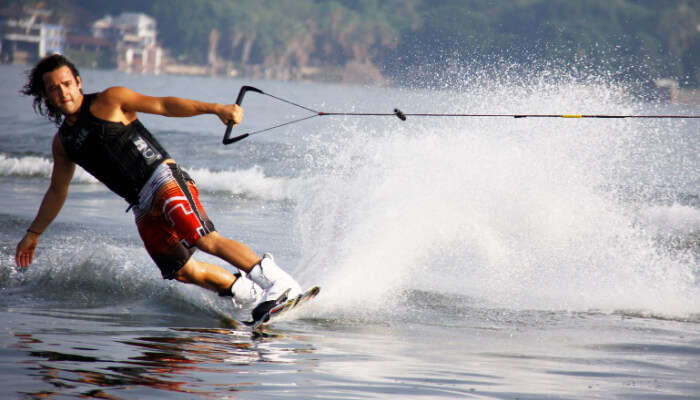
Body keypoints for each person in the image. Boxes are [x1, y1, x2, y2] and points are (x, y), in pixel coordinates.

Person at [15, 54, 301, 318]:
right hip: (141, 205)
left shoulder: (111, 99)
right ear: (46, 96)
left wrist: (215, 109)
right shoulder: (64, 143)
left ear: (78, 82)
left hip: (162, 178)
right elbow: (57, 190)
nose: (63, 92)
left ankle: (278, 281)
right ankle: (251, 296)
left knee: (203, 238)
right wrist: (33, 233)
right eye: (54, 88)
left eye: (67, 83)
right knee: (182, 271)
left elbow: (164, 105)